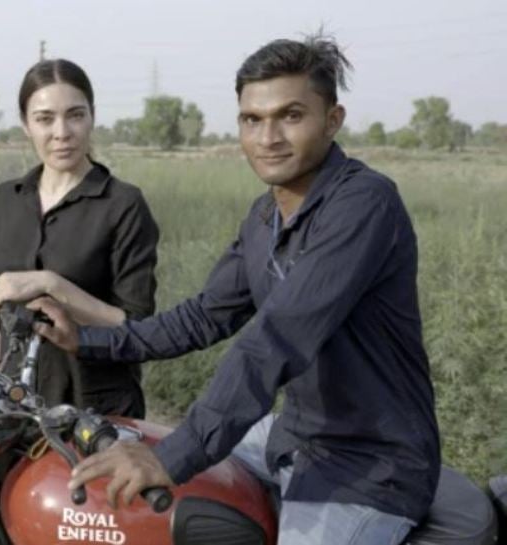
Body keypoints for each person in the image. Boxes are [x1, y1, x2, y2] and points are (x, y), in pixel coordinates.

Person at [30, 35, 440, 545]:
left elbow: (276, 338)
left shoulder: (363, 204)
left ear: (332, 120)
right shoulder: (266, 215)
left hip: (370, 463)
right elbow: (204, 316)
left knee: (170, 457)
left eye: (291, 116)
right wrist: (85, 340)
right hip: (294, 435)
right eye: (252, 119)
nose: (268, 137)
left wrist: (174, 456)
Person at [0, 58, 158, 418]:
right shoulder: (5, 200)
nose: (62, 132)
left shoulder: (123, 204)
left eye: (75, 115)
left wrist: (50, 284)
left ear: (92, 116)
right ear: (25, 124)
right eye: (45, 118)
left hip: (98, 409)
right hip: (14, 407)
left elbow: (135, 325)